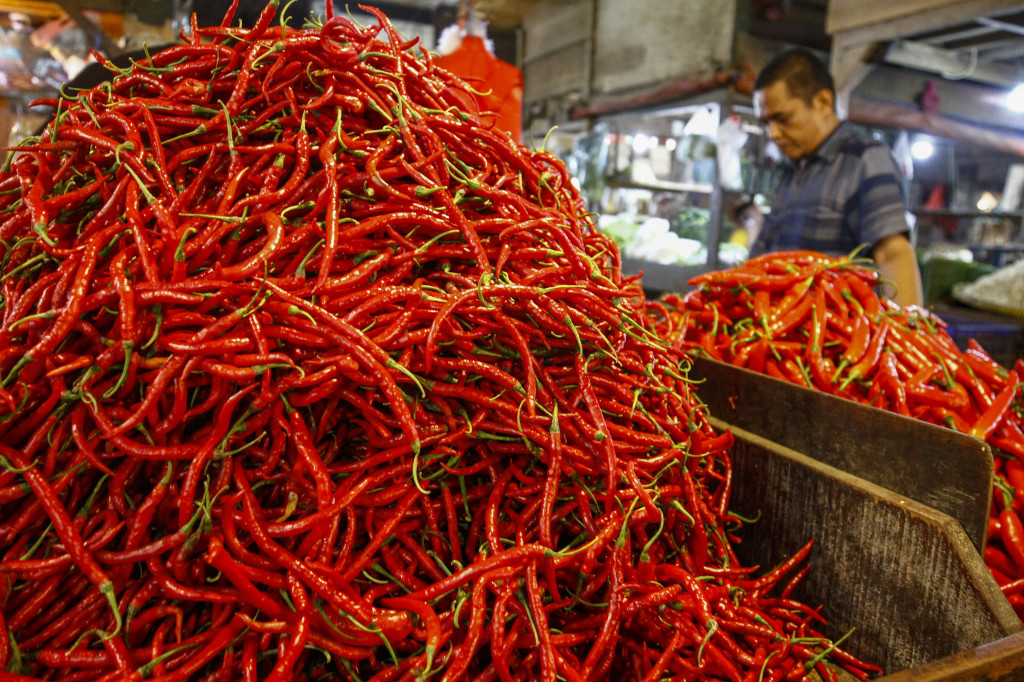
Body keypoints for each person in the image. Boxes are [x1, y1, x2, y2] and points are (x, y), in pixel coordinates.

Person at [751, 48, 924, 307]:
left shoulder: (864, 159)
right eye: (766, 123)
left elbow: (892, 253)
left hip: (834, 338)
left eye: (782, 118)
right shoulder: (792, 172)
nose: (773, 133)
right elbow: (761, 259)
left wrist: (909, 333)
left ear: (822, 102)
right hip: (780, 332)